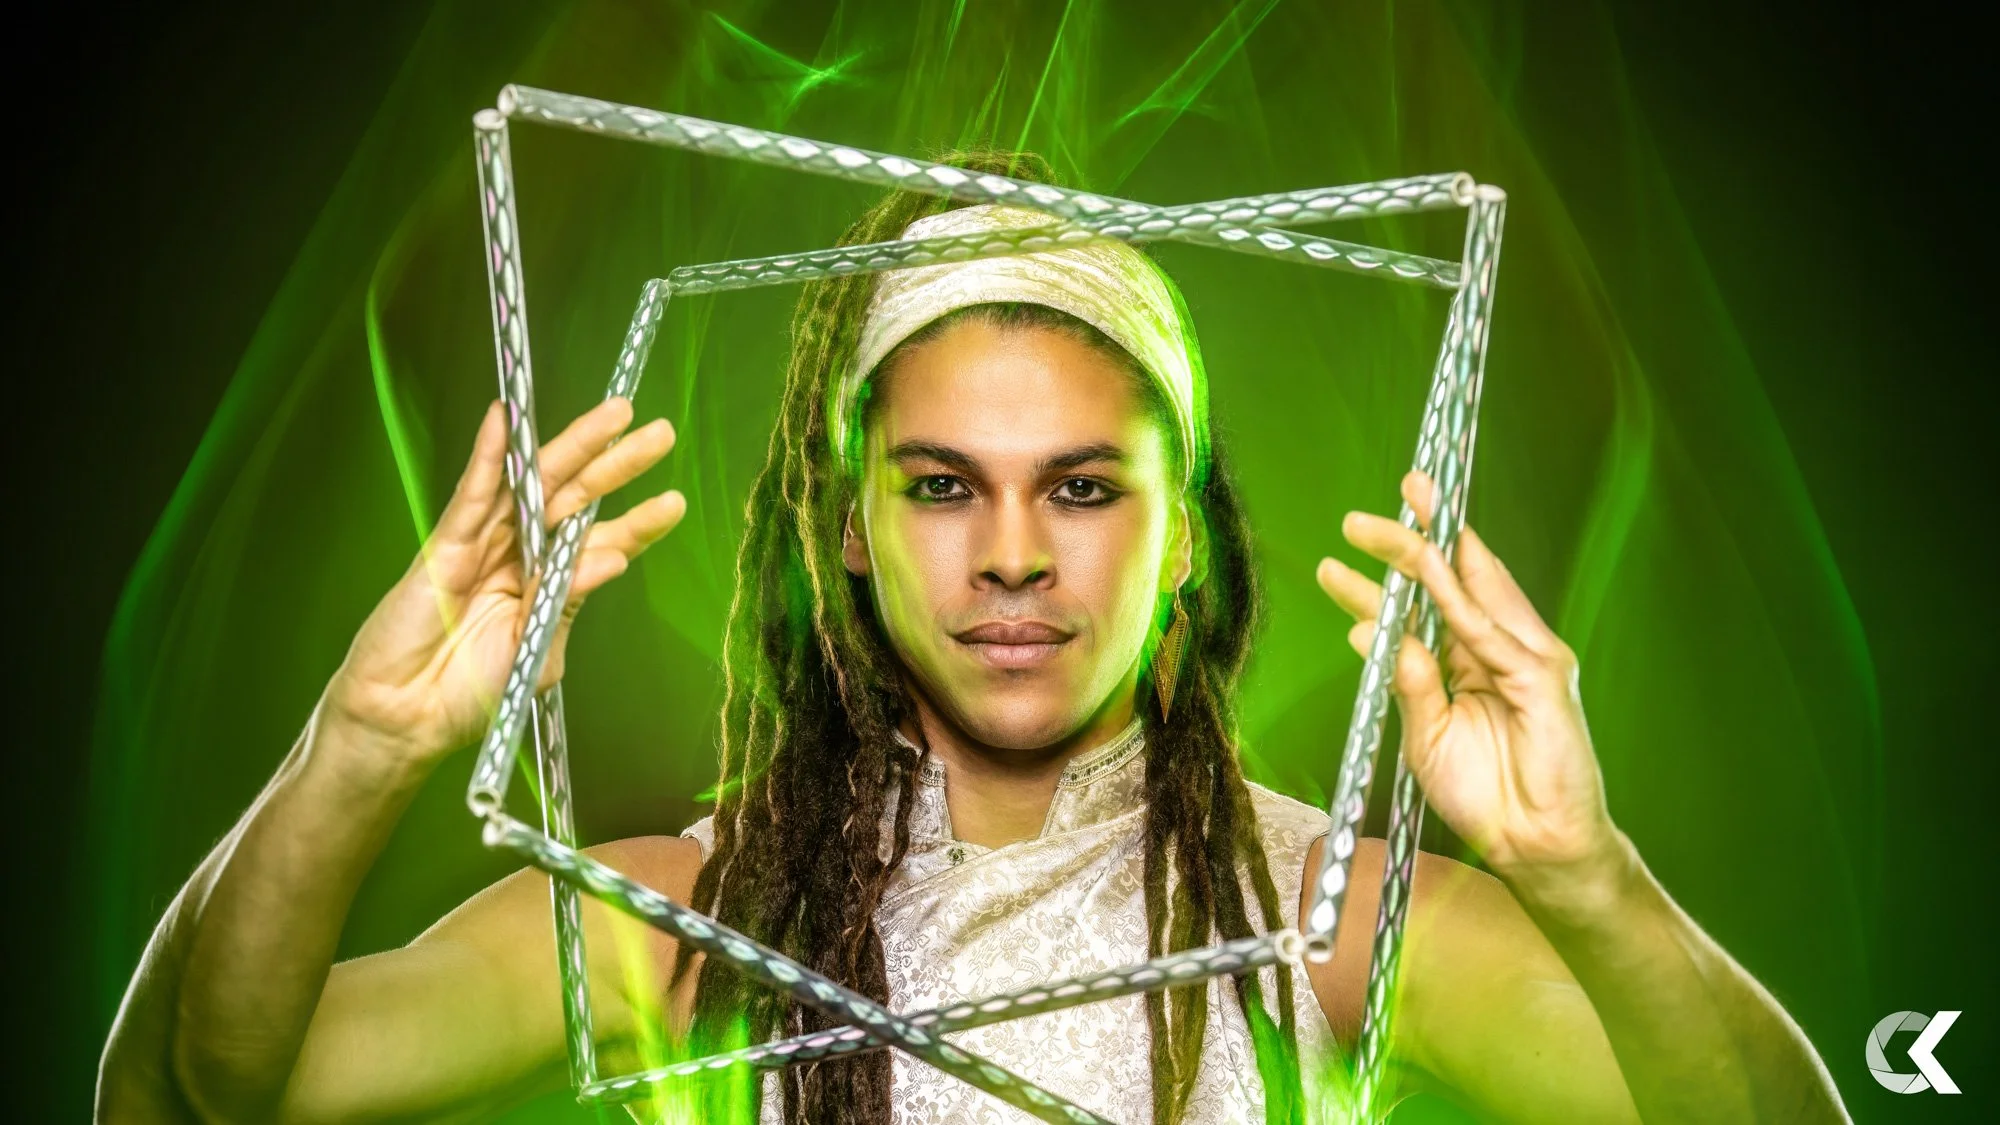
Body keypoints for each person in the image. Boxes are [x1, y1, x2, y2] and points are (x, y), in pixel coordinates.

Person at [96, 151, 1849, 1125]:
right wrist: (362, 750)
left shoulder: (1325, 918)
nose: (1012, 555)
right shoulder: (687, 922)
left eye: (1082, 487)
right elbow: (187, 1098)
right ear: (849, 531)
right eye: (941, 485)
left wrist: (1585, 873)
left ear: (1183, 538)